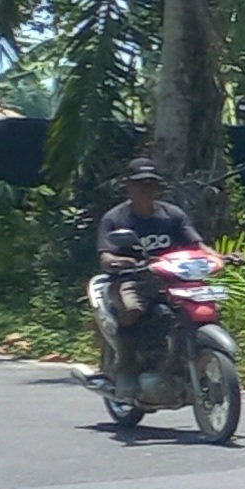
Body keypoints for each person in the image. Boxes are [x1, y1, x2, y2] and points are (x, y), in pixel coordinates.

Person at [86, 161, 207, 384]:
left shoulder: (172, 215)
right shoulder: (115, 218)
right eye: (140, 184)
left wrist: (218, 257)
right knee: (132, 310)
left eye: (152, 184)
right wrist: (119, 262)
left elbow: (197, 244)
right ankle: (125, 367)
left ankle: (195, 357)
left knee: (201, 306)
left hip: (171, 279)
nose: (147, 189)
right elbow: (106, 256)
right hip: (130, 281)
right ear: (128, 186)